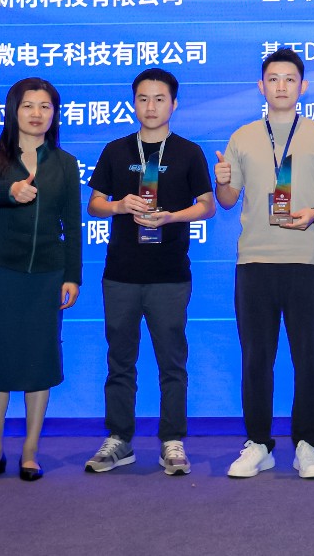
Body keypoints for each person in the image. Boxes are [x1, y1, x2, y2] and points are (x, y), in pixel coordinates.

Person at [214, 48, 314, 479]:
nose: (282, 86)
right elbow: (228, 201)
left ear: (303, 86)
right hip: (255, 261)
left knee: (309, 358)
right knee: (256, 358)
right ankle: (258, 443)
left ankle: (307, 444)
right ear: (261, 86)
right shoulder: (242, 137)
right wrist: (222, 182)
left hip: (306, 261)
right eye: (273, 79)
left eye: (290, 79)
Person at [84, 69, 215, 476]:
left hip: (170, 274)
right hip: (121, 273)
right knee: (120, 361)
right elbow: (94, 204)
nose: (151, 106)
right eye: (143, 99)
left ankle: (172, 441)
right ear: (133, 104)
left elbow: (208, 205)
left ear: (174, 104)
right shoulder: (116, 149)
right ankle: (119, 439)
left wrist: (173, 216)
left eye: (159, 99)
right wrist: (119, 206)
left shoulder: (189, 152)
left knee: (172, 363)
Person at [0, 77, 81, 483]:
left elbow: (73, 224)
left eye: (45, 106)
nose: (37, 114)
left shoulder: (65, 163)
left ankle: (30, 452)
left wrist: (73, 276)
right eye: (28, 105)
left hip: (46, 274)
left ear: (55, 114)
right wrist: (10, 191)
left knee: (39, 359)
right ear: (13, 110)